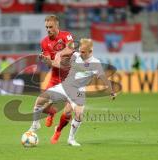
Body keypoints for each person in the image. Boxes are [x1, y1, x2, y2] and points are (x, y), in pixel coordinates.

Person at [29, 38, 116, 146]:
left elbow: (103, 77)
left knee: (78, 114)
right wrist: (48, 60)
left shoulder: (96, 63)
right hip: (65, 86)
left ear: (90, 52)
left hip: (78, 92)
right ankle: (35, 125)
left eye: (84, 52)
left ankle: (71, 139)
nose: (81, 53)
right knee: (40, 100)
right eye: (80, 51)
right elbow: (60, 64)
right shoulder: (75, 56)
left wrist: (111, 91)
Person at [37, 14, 75, 142]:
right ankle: (51, 113)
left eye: (51, 27)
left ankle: (58, 130)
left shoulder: (66, 35)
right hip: (54, 77)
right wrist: (46, 60)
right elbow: (49, 64)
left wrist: (60, 52)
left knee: (69, 110)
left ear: (57, 25)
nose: (48, 29)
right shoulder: (44, 42)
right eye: (46, 27)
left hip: (70, 78)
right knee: (46, 104)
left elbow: (71, 49)